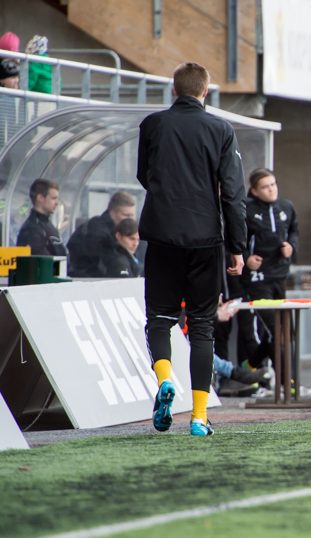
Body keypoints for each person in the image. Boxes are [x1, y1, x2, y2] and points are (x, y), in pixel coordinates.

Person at [137, 62, 246, 437]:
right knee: (202, 327)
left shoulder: (152, 125)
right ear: (205, 92)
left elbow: (144, 175)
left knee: (159, 319)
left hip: (162, 236)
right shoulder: (221, 129)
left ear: (174, 90)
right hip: (205, 240)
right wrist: (237, 246)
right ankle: (199, 417)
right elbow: (232, 194)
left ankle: (165, 379)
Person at [242, 168, 299, 369]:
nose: (271, 190)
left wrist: (291, 247)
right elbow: (235, 241)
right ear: (255, 191)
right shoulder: (247, 210)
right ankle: (286, 382)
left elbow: (294, 232)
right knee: (276, 329)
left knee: (285, 331)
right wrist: (247, 259)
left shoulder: (287, 207)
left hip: (279, 276)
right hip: (258, 279)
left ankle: (251, 366)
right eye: (265, 187)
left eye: (273, 185)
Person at [67, 190, 137, 277]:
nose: (130, 220)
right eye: (126, 215)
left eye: (132, 216)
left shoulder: (112, 230)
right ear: (113, 214)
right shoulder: (97, 232)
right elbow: (108, 264)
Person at [16, 178, 67, 256]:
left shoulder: (48, 224)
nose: (57, 203)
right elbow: (42, 262)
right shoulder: (32, 228)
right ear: (40, 198)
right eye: (53, 198)